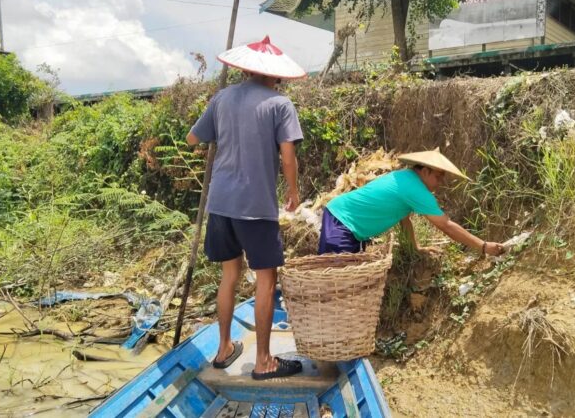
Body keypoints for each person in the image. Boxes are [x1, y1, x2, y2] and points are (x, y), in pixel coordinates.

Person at [186, 36, 305, 380]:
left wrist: (222, 132)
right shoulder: (280, 104)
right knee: (266, 280)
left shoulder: (222, 98)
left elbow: (193, 139)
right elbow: (287, 156)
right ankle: (265, 361)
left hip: (220, 203)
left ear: (245, 69)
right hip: (255, 206)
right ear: (276, 76)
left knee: (230, 274)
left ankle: (224, 348)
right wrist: (294, 192)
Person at [319, 148, 506, 257]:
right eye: (439, 177)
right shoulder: (416, 189)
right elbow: (446, 225)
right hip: (342, 222)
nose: (440, 183)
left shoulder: (405, 178)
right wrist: (483, 246)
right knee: (337, 282)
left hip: (344, 220)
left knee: (345, 282)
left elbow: (404, 219)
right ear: (425, 171)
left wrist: (416, 248)